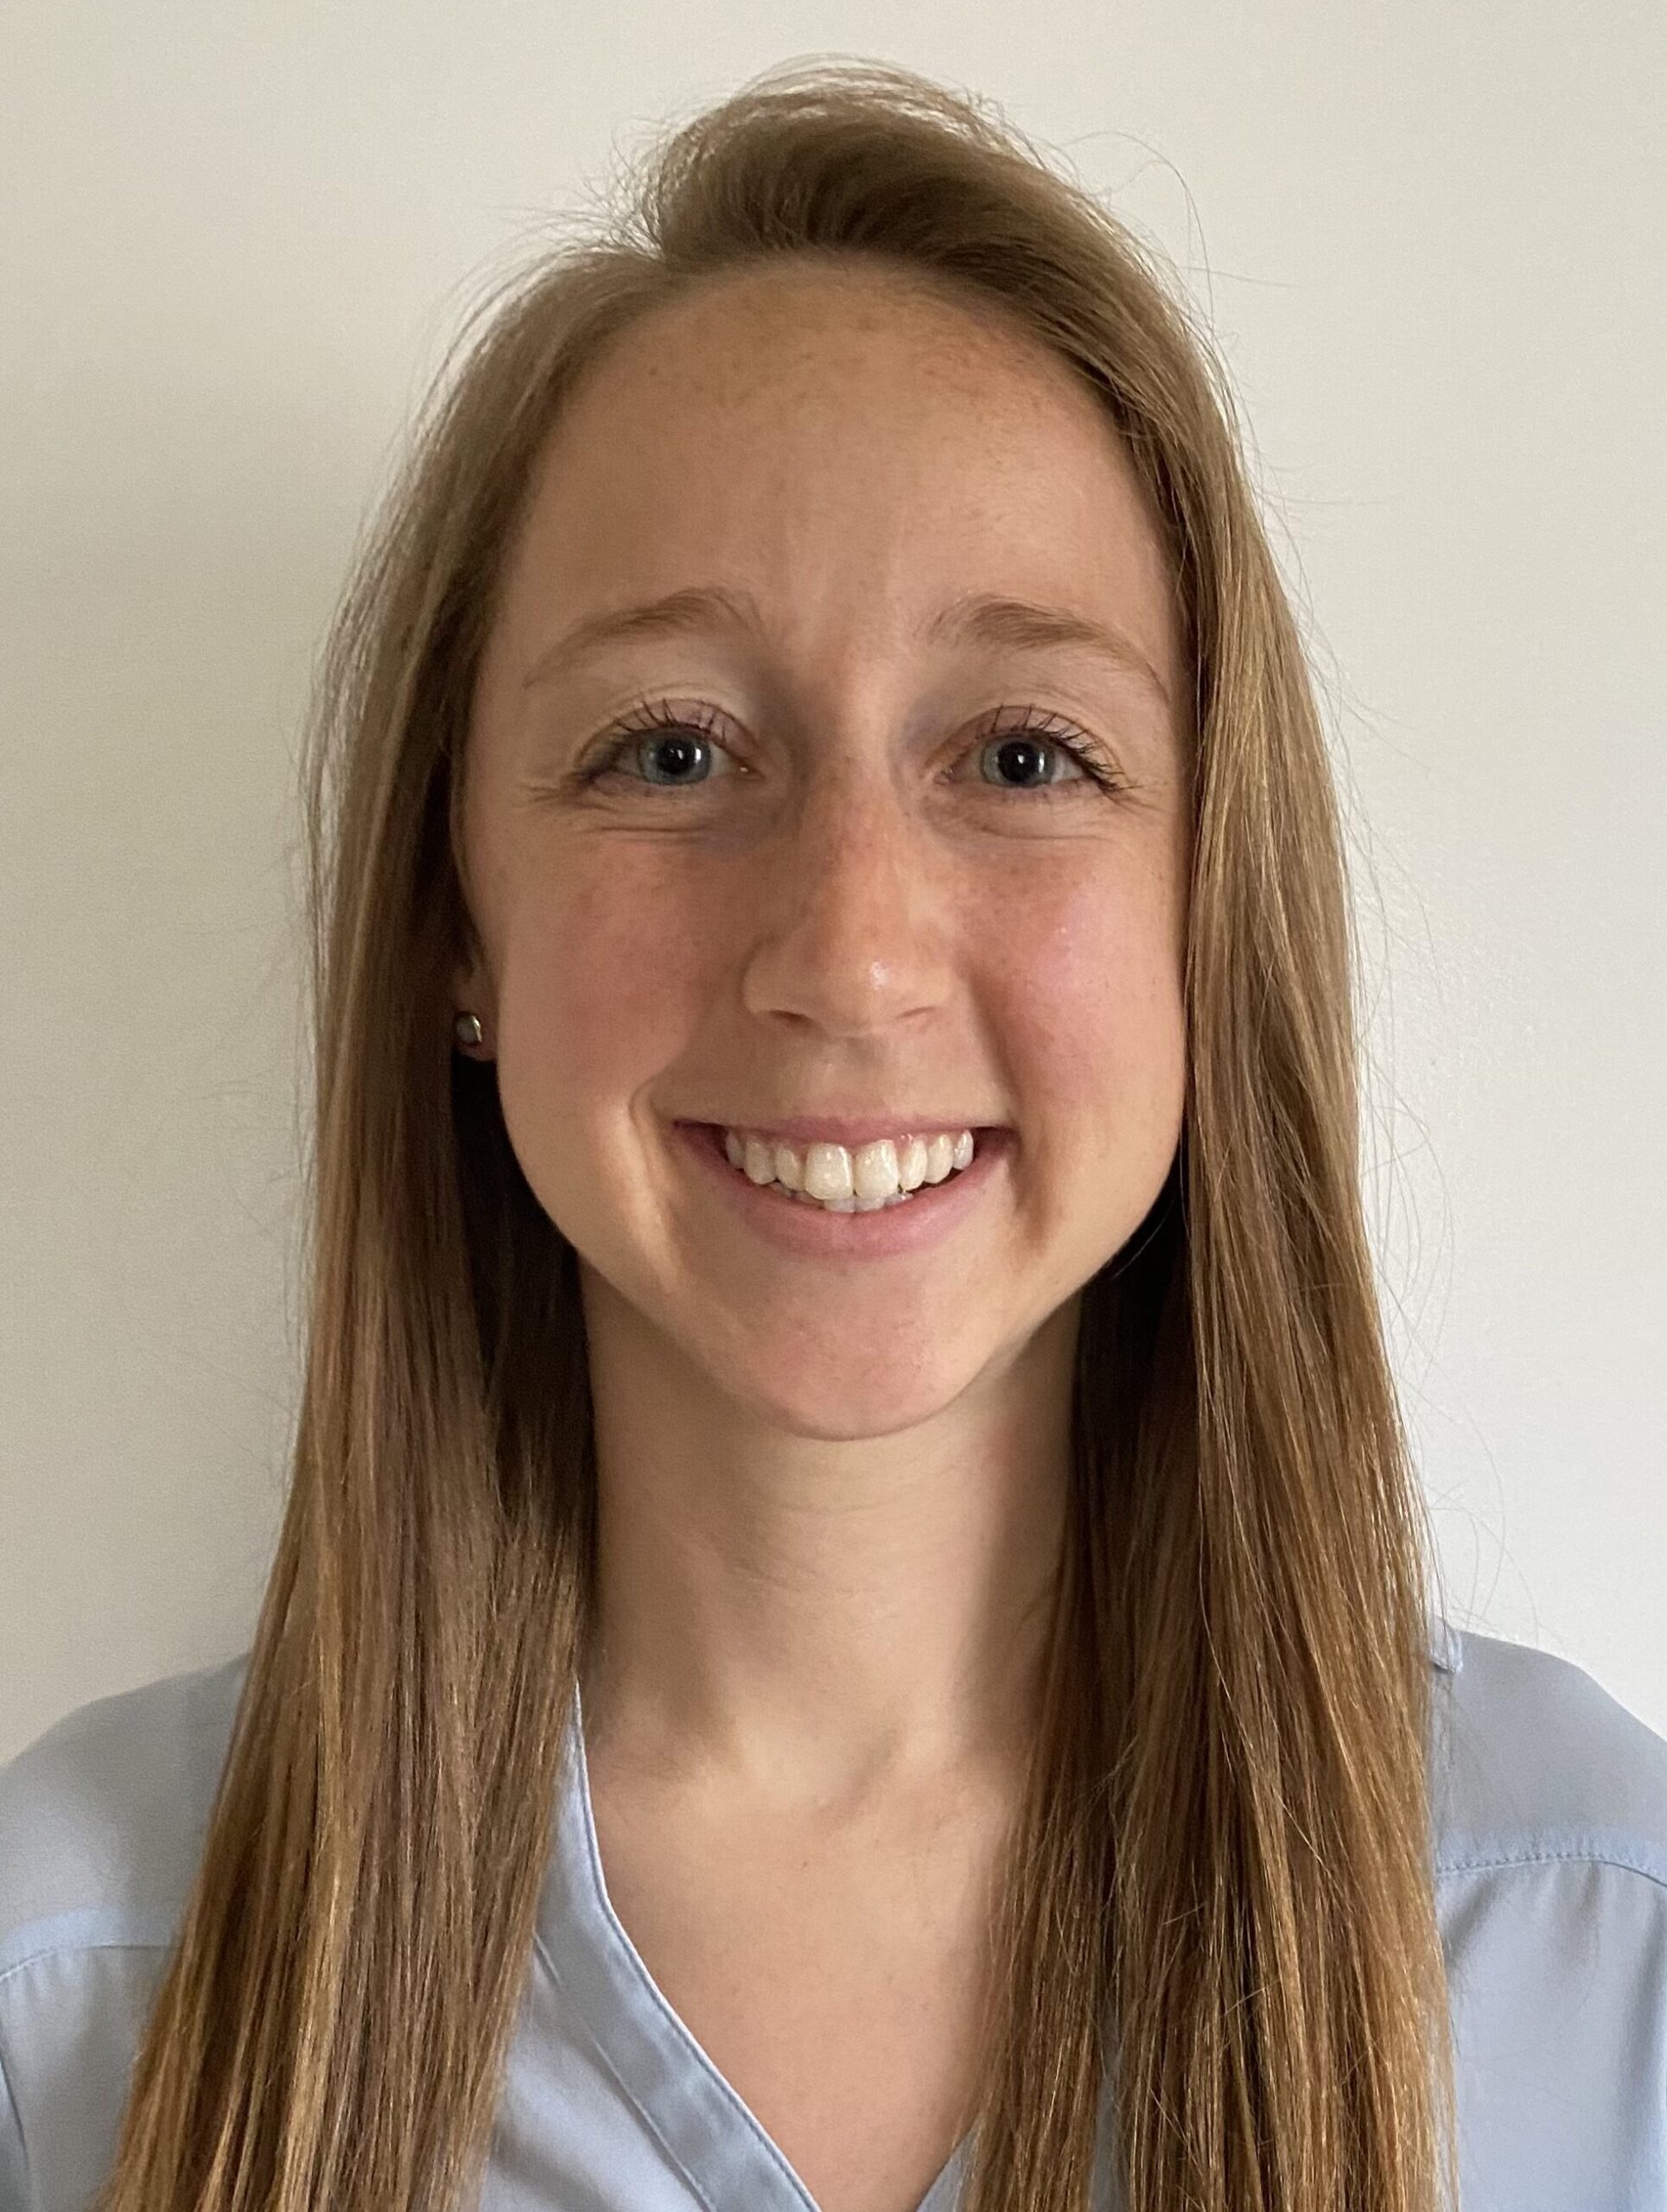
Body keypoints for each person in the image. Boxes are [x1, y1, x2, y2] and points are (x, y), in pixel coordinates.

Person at [2, 56, 1663, 2212]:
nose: (852, 953)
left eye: (1024, 752)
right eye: (672, 747)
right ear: (453, 930)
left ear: (1209, 909)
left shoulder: (1594, 1957)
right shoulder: (73, 1999)